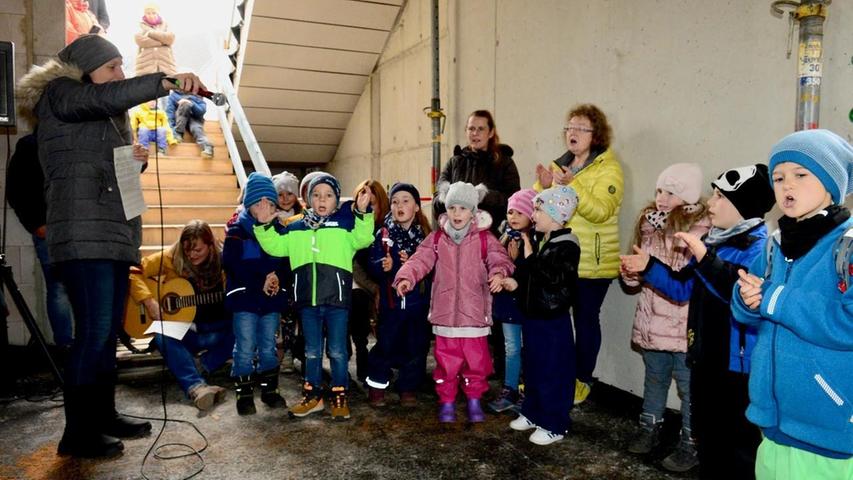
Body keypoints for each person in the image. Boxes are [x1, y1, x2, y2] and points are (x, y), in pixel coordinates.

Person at [16, 34, 204, 458]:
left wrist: (130, 163)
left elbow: (101, 172)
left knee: (104, 338)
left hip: (110, 235)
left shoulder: (95, 114)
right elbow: (104, 98)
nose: (120, 74)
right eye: (112, 67)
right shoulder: (60, 94)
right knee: (92, 335)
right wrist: (164, 82)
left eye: (122, 66)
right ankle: (77, 434)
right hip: (83, 238)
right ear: (86, 71)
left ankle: (103, 415)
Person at [620, 164, 775, 479]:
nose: (711, 204)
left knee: (737, 447)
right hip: (704, 356)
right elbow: (682, 286)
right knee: (710, 441)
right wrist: (649, 266)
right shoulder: (716, 243)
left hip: (736, 367)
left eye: (720, 197)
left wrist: (706, 258)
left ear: (742, 208)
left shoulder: (758, 248)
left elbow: (737, 289)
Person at [732, 130, 853, 480]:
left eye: (801, 175)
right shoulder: (775, 244)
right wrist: (747, 300)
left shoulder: (846, 248)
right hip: (771, 423)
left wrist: (774, 298)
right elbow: (747, 305)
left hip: (827, 428)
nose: (788, 186)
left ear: (831, 184)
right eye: (779, 177)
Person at [253, 174, 374, 421]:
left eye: (328, 195)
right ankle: (313, 397)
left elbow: (364, 239)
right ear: (307, 199)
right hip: (307, 302)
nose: (322, 199)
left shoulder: (344, 226)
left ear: (336, 200)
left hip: (337, 301)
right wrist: (264, 226)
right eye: (316, 195)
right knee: (311, 351)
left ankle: (340, 394)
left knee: (338, 351)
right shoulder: (295, 226)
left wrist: (363, 214)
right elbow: (274, 246)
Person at [394, 182, 514, 423]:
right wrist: (406, 277)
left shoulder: (484, 239)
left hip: (474, 316)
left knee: (476, 364)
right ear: (445, 209)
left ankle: (473, 400)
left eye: (463, 208)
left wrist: (499, 274)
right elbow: (420, 259)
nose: (457, 214)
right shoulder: (437, 238)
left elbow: (499, 258)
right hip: (445, 316)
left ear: (473, 211)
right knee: (446, 365)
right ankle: (446, 401)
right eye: (452, 208)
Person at [621, 163, 710, 472]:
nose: (661, 197)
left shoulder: (699, 231)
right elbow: (642, 274)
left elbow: (680, 278)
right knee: (655, 379)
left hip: (681, 328)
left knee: (689, 390)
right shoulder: (649, 225)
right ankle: (650, 428)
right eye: (659, 190)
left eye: (670, 192)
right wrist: (631, 273)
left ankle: (690, 442)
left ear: (687, 197)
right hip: (651, 323)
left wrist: (648, 266)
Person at [533, 103, 623, 404]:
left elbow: (601, 211)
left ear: (595, 134)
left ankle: (582, 380)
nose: (572, 132)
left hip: (592, 262)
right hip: (560, 257)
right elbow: (541, 207)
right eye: (569, 127)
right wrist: (543, 186)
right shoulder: (560, 164)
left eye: (580, 128)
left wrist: (572, 188)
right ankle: (556, 376)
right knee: (554, 320)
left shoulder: (609, 168)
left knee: (585, 320)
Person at [503, 185, 581, 445]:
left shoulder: (568, 246)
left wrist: (529, 257)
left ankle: (554, 423)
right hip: (534, 318)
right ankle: (533, 412)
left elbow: (551, 278)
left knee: (553, 371)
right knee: (534, 367)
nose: (533, 214)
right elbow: (531, 277)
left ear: (557, 215)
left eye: (538, 209)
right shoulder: (545, 242)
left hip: (552, 322)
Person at [131, 221, 232, 411]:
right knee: (162, 336)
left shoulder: (225, 261)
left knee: (245, 326)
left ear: (210, 245)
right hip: (186, 333)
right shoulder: (170, 257)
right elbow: (134, 271)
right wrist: (149, 300)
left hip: (217, 332)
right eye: (187, 250)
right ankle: (196, 387)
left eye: (198, 250)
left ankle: (198, 366)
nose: (191, 255)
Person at [224, 173, 289, 415]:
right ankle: (244, 394)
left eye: (270, 204)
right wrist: (262, 276)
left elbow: (283, 260)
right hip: (245, 301)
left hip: (269, 301)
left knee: (268, 346)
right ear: (248, 204)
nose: (265, 208)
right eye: (259, 203)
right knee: (244, 347)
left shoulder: (279, 231)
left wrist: (275, 278)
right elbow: (232, 264)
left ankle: (269, 390)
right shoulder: (236, 231)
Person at [365, 183, 432, 407]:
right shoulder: (383, 234)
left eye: (405, 201)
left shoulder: (426, 236)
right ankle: (377, 386)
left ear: (416, 207)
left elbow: (433, 267)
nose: (399, 206)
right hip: (391, 304)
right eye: (395, 202)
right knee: (385, 344)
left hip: (417, 305)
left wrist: (415, 266)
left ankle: (408, 388)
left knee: (416, 347)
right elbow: (371, 264)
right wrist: (383, 265)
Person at [6, 132, 75, 350]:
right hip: (51, 229)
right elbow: (16, 189)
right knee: (59, 288)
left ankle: (87, 346)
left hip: (82, 227)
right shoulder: (30, 145)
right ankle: (65, 346)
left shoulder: (77, 138)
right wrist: (36, 224)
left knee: (86, 287)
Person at [487, 188, 537, 413]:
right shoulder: (502, 237)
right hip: (507, 304)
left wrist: (520, 258)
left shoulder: (536, 239)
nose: (513, 217)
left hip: (526, 305)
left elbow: (534, 272)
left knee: (528, 348)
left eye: (519, 212)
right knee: (511, 348)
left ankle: (528, 391)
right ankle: (510, 388)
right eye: (510, 212)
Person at [434, 110, 520, 236]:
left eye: (481, 129)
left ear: (490, 133)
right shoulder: (454, 163)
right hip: (456, 239)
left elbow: (514, 202)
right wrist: (450, 195)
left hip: (492, 239)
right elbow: (436, 202)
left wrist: (484, 196)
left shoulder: (504, 163)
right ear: (466, 131)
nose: (475, 133)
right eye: (471, 128)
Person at [350, 179, 389, 384]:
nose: (367, 207)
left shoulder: (388, 227)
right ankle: (362, 356)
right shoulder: (351, 226)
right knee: (357, 303)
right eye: (363, 202)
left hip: (386, 283)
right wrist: (374, 289)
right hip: (361, 283)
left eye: (372, 203)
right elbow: (354, 265)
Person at [271, 170, 303, 373]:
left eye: (289, 194)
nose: (284, 199)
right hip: (276, 273)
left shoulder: (304, 217)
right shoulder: (269, 218)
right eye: (280, 194)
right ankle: (276, 353)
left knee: (292, 317)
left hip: (296, 273)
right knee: (278, 318)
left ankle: (291, 354)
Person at [166, 92, 214, 158]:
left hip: (194, 119)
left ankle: (207, 147)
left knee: (196, 128)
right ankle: (178, 133)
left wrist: (191, 103)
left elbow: (202, 111)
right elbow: (169, 112)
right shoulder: (174, 95)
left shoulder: (198, 95)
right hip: (180, 119)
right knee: (184, 104)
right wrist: (171, 128)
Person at [134, 3, 177, 76]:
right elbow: (140, 40)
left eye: (154, 13)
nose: (151, 15)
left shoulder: (166, 26)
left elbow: (170, 39)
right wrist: (162, 42)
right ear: (145, 14)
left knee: (174, 84)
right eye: (148, 13)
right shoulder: (139, 27)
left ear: (158, 14)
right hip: (145, 69)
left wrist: (150, 33)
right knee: (148, 87)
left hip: (167, 67)